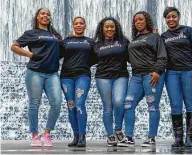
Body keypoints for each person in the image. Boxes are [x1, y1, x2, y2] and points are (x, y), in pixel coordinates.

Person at [10, 8, 62, 147]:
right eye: (42, 14)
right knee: (34, 104)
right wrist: (30, 55)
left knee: (56, 103)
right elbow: (14, 47)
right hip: (35, 72)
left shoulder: (54, 35)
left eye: (48, 14)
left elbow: (61, 51)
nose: (45, 16)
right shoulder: (31, 33)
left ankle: (47, 133)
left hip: (52, 73)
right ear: (37, 17)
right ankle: (34, 135)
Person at [117, 11, 167, 147]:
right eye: (135, 20)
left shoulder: (155, 36)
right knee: (128, 104)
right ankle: (129, 137)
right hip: (136, 76)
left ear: (147, 21)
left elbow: (162, 55)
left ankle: (151, 138)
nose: (138, 22)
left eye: (140, 19)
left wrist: (158, 71)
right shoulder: (134, 39)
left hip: (151, 75)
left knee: (152, 105)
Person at [161, 7, 192, 147]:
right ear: (165, 19)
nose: (171, 19)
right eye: (168, 17)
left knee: (190, 104)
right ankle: (178, 138)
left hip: (189, 72)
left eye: (173, 16)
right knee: (175, 105)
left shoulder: (188, 31)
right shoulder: (163, 36)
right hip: (171, 73)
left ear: (178, 17)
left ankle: (189, 138)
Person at [93, 17, 130, 146]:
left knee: (119, 102)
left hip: (120, 76)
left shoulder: (124, 41)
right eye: (107, 27)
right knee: (108, 107)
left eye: (112, 26)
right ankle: (110, 135)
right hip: (103, 77)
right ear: (102, 29)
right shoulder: (96, 45)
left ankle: (118, 130)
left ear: (116, 28)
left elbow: (134, 56)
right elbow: (86, 59)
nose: (109, 29)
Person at [60, 16, 96, 147]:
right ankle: (75, 135)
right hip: (66, 76)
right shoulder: (66, 41)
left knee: (80, 104)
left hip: (82, 75)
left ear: (85, 26)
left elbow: (98, 56)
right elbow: (54, 54)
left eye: (81, 23)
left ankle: (82, 135)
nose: (79, 25)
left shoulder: (91, 42)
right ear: (73, 26)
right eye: (76, 23)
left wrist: (85, 64)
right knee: (71, 106)